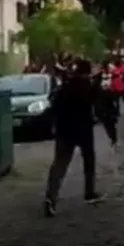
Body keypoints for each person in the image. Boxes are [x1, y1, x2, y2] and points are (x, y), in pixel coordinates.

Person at [43, 59, 104, 217]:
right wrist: (97, 81)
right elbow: (96, 101)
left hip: (65, 130)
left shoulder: (66, 86)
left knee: (59, 164)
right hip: (83, 129)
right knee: (89, 161)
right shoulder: (88, 87)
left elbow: (54, 106)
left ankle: (51, 196)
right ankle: (89, 192)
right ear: (88, 71)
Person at [95, 61, 120, 149]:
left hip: (109, 102)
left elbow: (116, 86)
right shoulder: (96, 79)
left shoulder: (111, 76)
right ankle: (113, 139)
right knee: (107, 123)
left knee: (110, 123)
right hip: (101, 104)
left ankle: (114, 139)